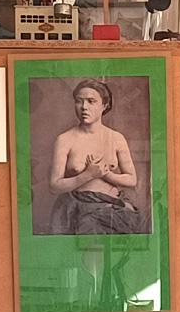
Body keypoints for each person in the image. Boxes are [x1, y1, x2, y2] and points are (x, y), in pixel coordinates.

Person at [48, 79, 144, 235]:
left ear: (104, 105)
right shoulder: (65, 140)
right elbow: (54, 186)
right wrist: (88, 174)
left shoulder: (116, 138)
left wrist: (105, 174)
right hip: (76, 211)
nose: (84, 107)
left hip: (111, 211)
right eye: (79, 101)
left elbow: (131, 180)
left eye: (91, 101)